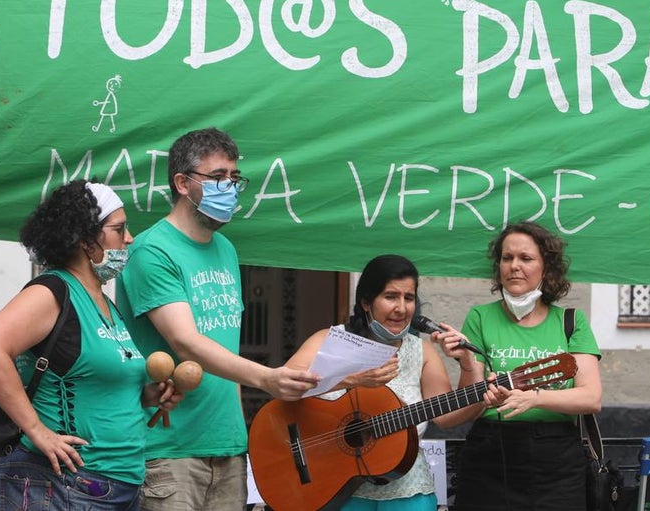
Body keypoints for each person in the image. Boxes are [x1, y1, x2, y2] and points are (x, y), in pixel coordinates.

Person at [115, 127, 321, 511]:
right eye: (217, 177)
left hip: (226, 445)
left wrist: (241, 435)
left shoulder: (225, 249)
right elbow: (185, 341)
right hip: (169, 449)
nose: (229, 186)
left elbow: (225, 343)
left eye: (234, 178)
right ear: (181, 182)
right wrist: (266, 377)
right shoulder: (151, 250)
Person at [0, 180, 182, 511]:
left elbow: (91, 383)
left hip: (116, 487)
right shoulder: (52, 292)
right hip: (62, 486)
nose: (129, 238)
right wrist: (37, 431)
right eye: (119, 228)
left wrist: (148, 396)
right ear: (85, 240)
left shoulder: (105, 304)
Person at [284, 254, 476, 511]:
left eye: (408, 298)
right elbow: (285, 386)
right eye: (390, 296)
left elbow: (448, 416)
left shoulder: (422, 351)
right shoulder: (329, 340)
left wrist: (467, 364)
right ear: (366, 302)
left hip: (408, 490)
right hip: (333, 487)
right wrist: (351, 379)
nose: (401, 307)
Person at [444, 221, 603, 511]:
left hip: (556, 464)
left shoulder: (570, 321)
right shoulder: (479, 317)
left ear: (547, 267)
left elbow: (591, 397)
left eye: (526, 258)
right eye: (507, 258)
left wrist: (535, 398)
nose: (514, 266)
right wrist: (468, 366)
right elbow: (468, 405)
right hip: (489, 455)